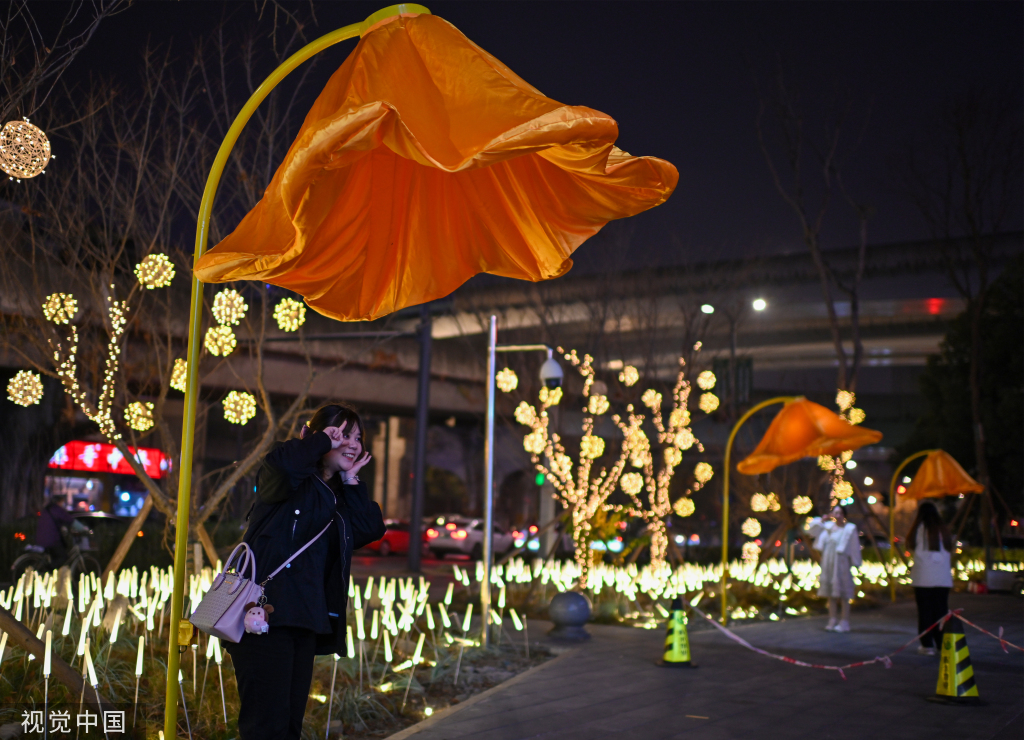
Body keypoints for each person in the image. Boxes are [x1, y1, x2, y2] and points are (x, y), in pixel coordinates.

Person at [225, 403, 386, 740]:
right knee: (264, 728)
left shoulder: (338, 498)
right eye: (340, 434)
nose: (351, 443)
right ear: (313, 437)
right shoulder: (284, 483)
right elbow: (283, 466)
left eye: (356, 437)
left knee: (288, 728)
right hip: (263, 619)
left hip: (304, 621)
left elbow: (369, 529)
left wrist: (352, 479)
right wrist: (321, 442)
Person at [906, 500, 953, 656]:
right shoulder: (944, 530)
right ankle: (941, 644)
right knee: (941, 611)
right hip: (943, 580)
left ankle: (927, 645)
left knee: (925, 612)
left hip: (923, 578)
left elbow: (911, 545)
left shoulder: (919, 529)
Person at [806, 504, 862, 632]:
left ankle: (844, 621)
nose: (838, 516)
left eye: (840, 513)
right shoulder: (828, 528)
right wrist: (822, 520)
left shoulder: (849, 529)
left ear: (844, 515)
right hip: (829, 563)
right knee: (830, 593)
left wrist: (856, 563)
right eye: (835, 513)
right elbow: (811, 530)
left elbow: (854, 547)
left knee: (843, 593)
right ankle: (832, 619)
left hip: (842, 564)